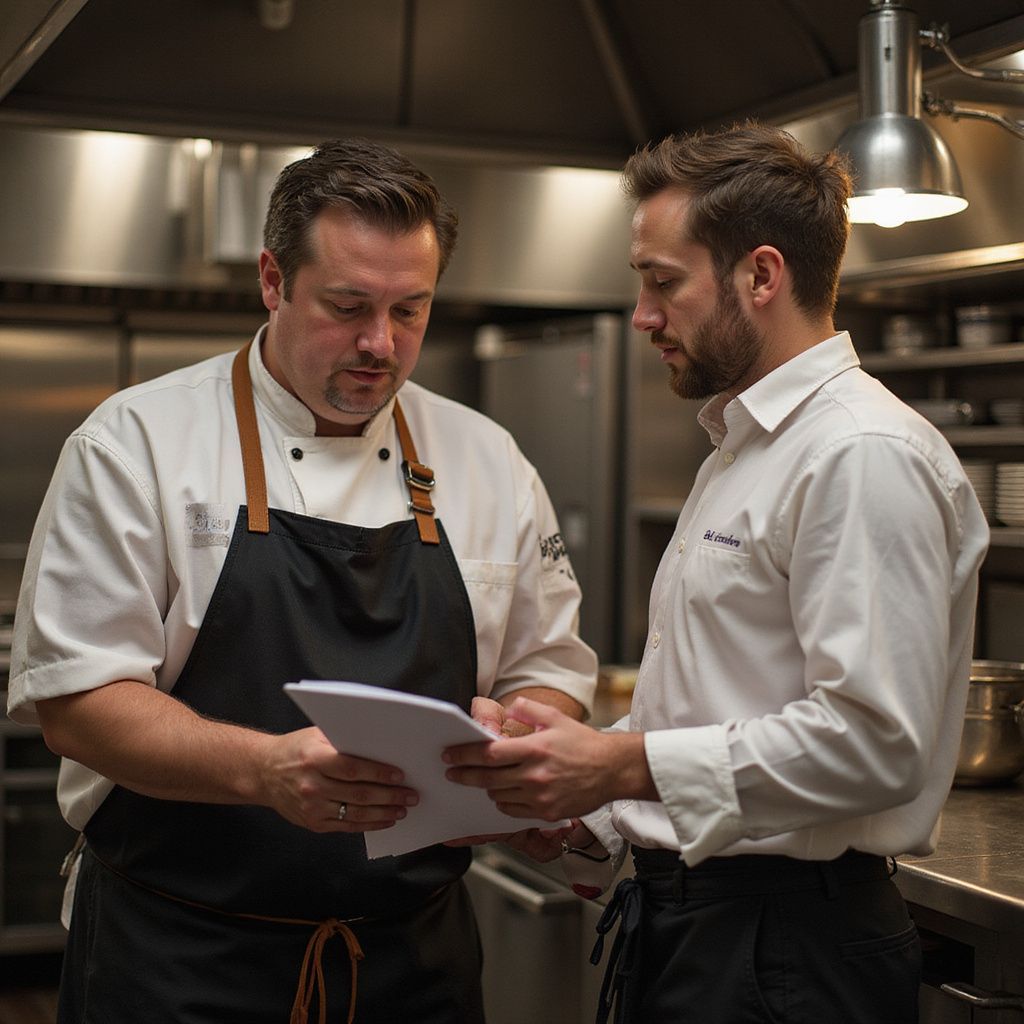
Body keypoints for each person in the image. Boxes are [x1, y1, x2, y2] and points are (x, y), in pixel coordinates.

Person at [8, 138, 596, 1024]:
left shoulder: (486, 457)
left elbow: (547, 666)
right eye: (348, 305)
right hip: (181, 959)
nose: (380, 344)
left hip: (414, 960)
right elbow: (78, 704)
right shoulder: (135, 444)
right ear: (273, 280)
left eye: (411, 310)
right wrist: (266, 770)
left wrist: (522, 733)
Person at [444, 122, 990, 1024]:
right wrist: (584, 805)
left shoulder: (859, 454)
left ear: (761, 276)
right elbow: (718, 709)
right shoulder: (740, 449)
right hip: (704, 929)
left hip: (788, 952)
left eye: (663, 283)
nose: (642, 316)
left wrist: (617, 763)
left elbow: (871, 743)